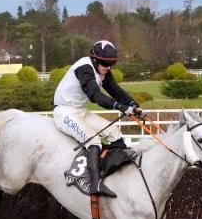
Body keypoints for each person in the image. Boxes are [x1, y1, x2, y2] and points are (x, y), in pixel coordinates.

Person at [53, 40, 143, 197]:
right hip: (64, 112)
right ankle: (95, 184)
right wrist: (121, 107)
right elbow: (96, 96)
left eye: (111, 64)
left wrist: (133, 104)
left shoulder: (103, 69)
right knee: (93, 140)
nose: (108, 68)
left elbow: (115, 90)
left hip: (79, 111)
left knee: (114, 131)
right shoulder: (84, 68)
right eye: (105, 64)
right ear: (94, 59)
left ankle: (112, 169)